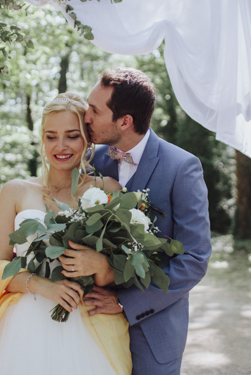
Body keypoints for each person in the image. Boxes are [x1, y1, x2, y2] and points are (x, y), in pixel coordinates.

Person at [0, 93, 132, 375]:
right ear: (42, 138)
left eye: (72, 136)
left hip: (89, 322)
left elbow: (125, 268)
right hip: (23, 326)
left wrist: (100, 266)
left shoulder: (108, 191)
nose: (61, 146)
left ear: (87, 139)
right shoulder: (15, 191)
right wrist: (44, 286)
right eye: (51, 136)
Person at [83, 68, 211, 375]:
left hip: (154, 330)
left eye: (95, 110)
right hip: (92, 325)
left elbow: (194, 259)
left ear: (124, 121)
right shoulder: (91, 161)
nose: (85, 116)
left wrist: (127, 303)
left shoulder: (182, 168)